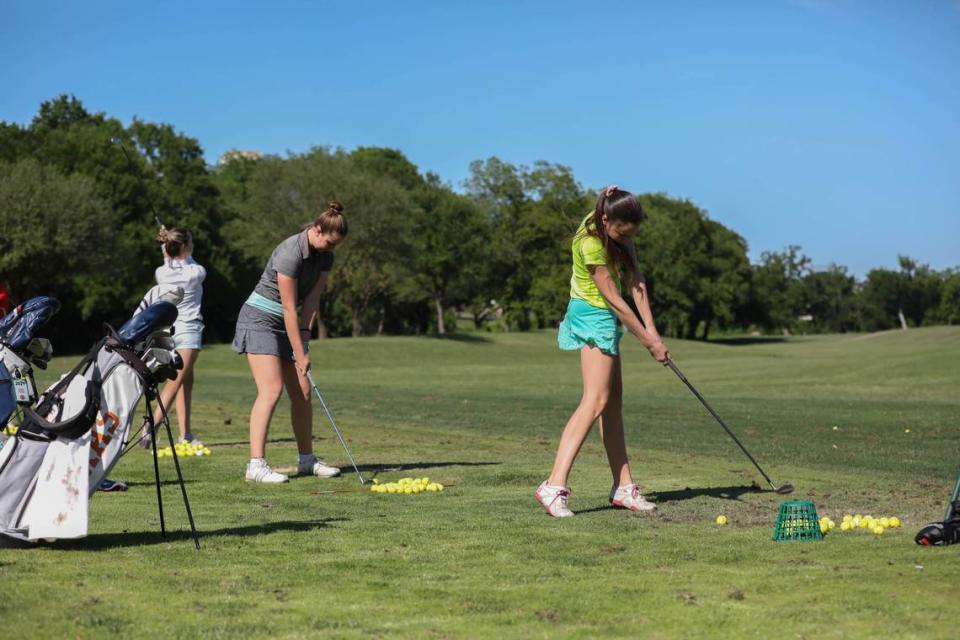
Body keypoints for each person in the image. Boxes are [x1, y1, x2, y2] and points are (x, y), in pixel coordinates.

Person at [535, 185, 670, 518]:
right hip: (592, 314)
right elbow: (615, 299)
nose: (626, 240)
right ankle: (553, 485)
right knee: (595, 400)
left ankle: (623, 488)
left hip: (603, 314)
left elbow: (636, 281)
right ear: (606, 220)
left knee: (613, 402)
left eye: (631, 234)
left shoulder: (611, 220)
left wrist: (653, 332)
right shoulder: (590, 242)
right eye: (622, 233)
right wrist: (648, 342)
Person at [232, 201, 347, 483]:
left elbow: (311, 300)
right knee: (271, 389)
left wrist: (305, 339)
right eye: (329, 243)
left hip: (287, 322)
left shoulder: (325, 257)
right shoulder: (290, 252)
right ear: (317, 230)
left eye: (336, 246)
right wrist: (299, 351)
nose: (331, 250)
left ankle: (306, 461)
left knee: (303, 391)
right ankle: (255, 466)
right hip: (259, 319)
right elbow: (287, 307)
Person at [137, 227, 207, 447]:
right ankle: (150, 427)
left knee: (187, 380)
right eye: (190, 244)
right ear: (185, 247)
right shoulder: (196, 272)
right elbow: (188, 261)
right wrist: (170, 242)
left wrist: (166, 242)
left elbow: (169, 259)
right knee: (174, 382)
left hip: (169, 331)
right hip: (189, 332)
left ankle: (185, 434)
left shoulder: (161, 273)